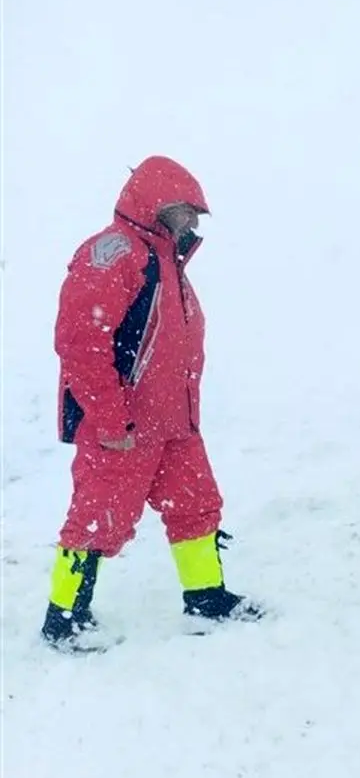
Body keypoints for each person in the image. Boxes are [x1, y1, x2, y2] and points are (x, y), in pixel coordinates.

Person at [42, 155, 262, 653]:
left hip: (173, 423)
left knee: (196, 505)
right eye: (186, 211)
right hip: (124, 424)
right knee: (99, 517)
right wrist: (110, 416)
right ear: (158, 202)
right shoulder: (115, 252)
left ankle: (206, 597)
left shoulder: (167, 262)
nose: (192, 223)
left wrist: (183, 415)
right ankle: (64, 618)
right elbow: (81, 342)